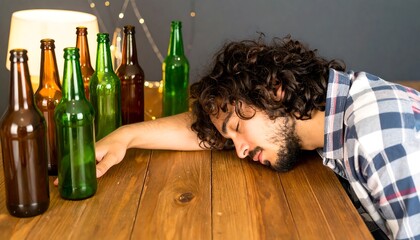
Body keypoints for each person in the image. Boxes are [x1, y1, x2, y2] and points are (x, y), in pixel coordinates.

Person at [94, 36, 420, 239]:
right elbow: (204, 129)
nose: (238, 151)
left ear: (273, 91)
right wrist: (125, 136)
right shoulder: (329, 114)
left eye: (236, 128)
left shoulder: (372, 130)